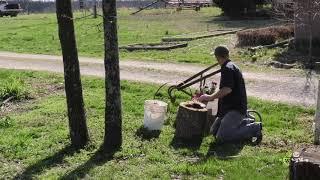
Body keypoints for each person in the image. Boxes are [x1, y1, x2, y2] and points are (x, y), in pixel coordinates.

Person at [195, 46, 262, 144]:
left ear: (218, 57)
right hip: (228, 109)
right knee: (214, 131)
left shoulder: (228, 68)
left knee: (222, 137)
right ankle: (247, 121)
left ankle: (254, 128)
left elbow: (227, 89)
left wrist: (209, 97)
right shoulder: (229, 65)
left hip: (236, 109)